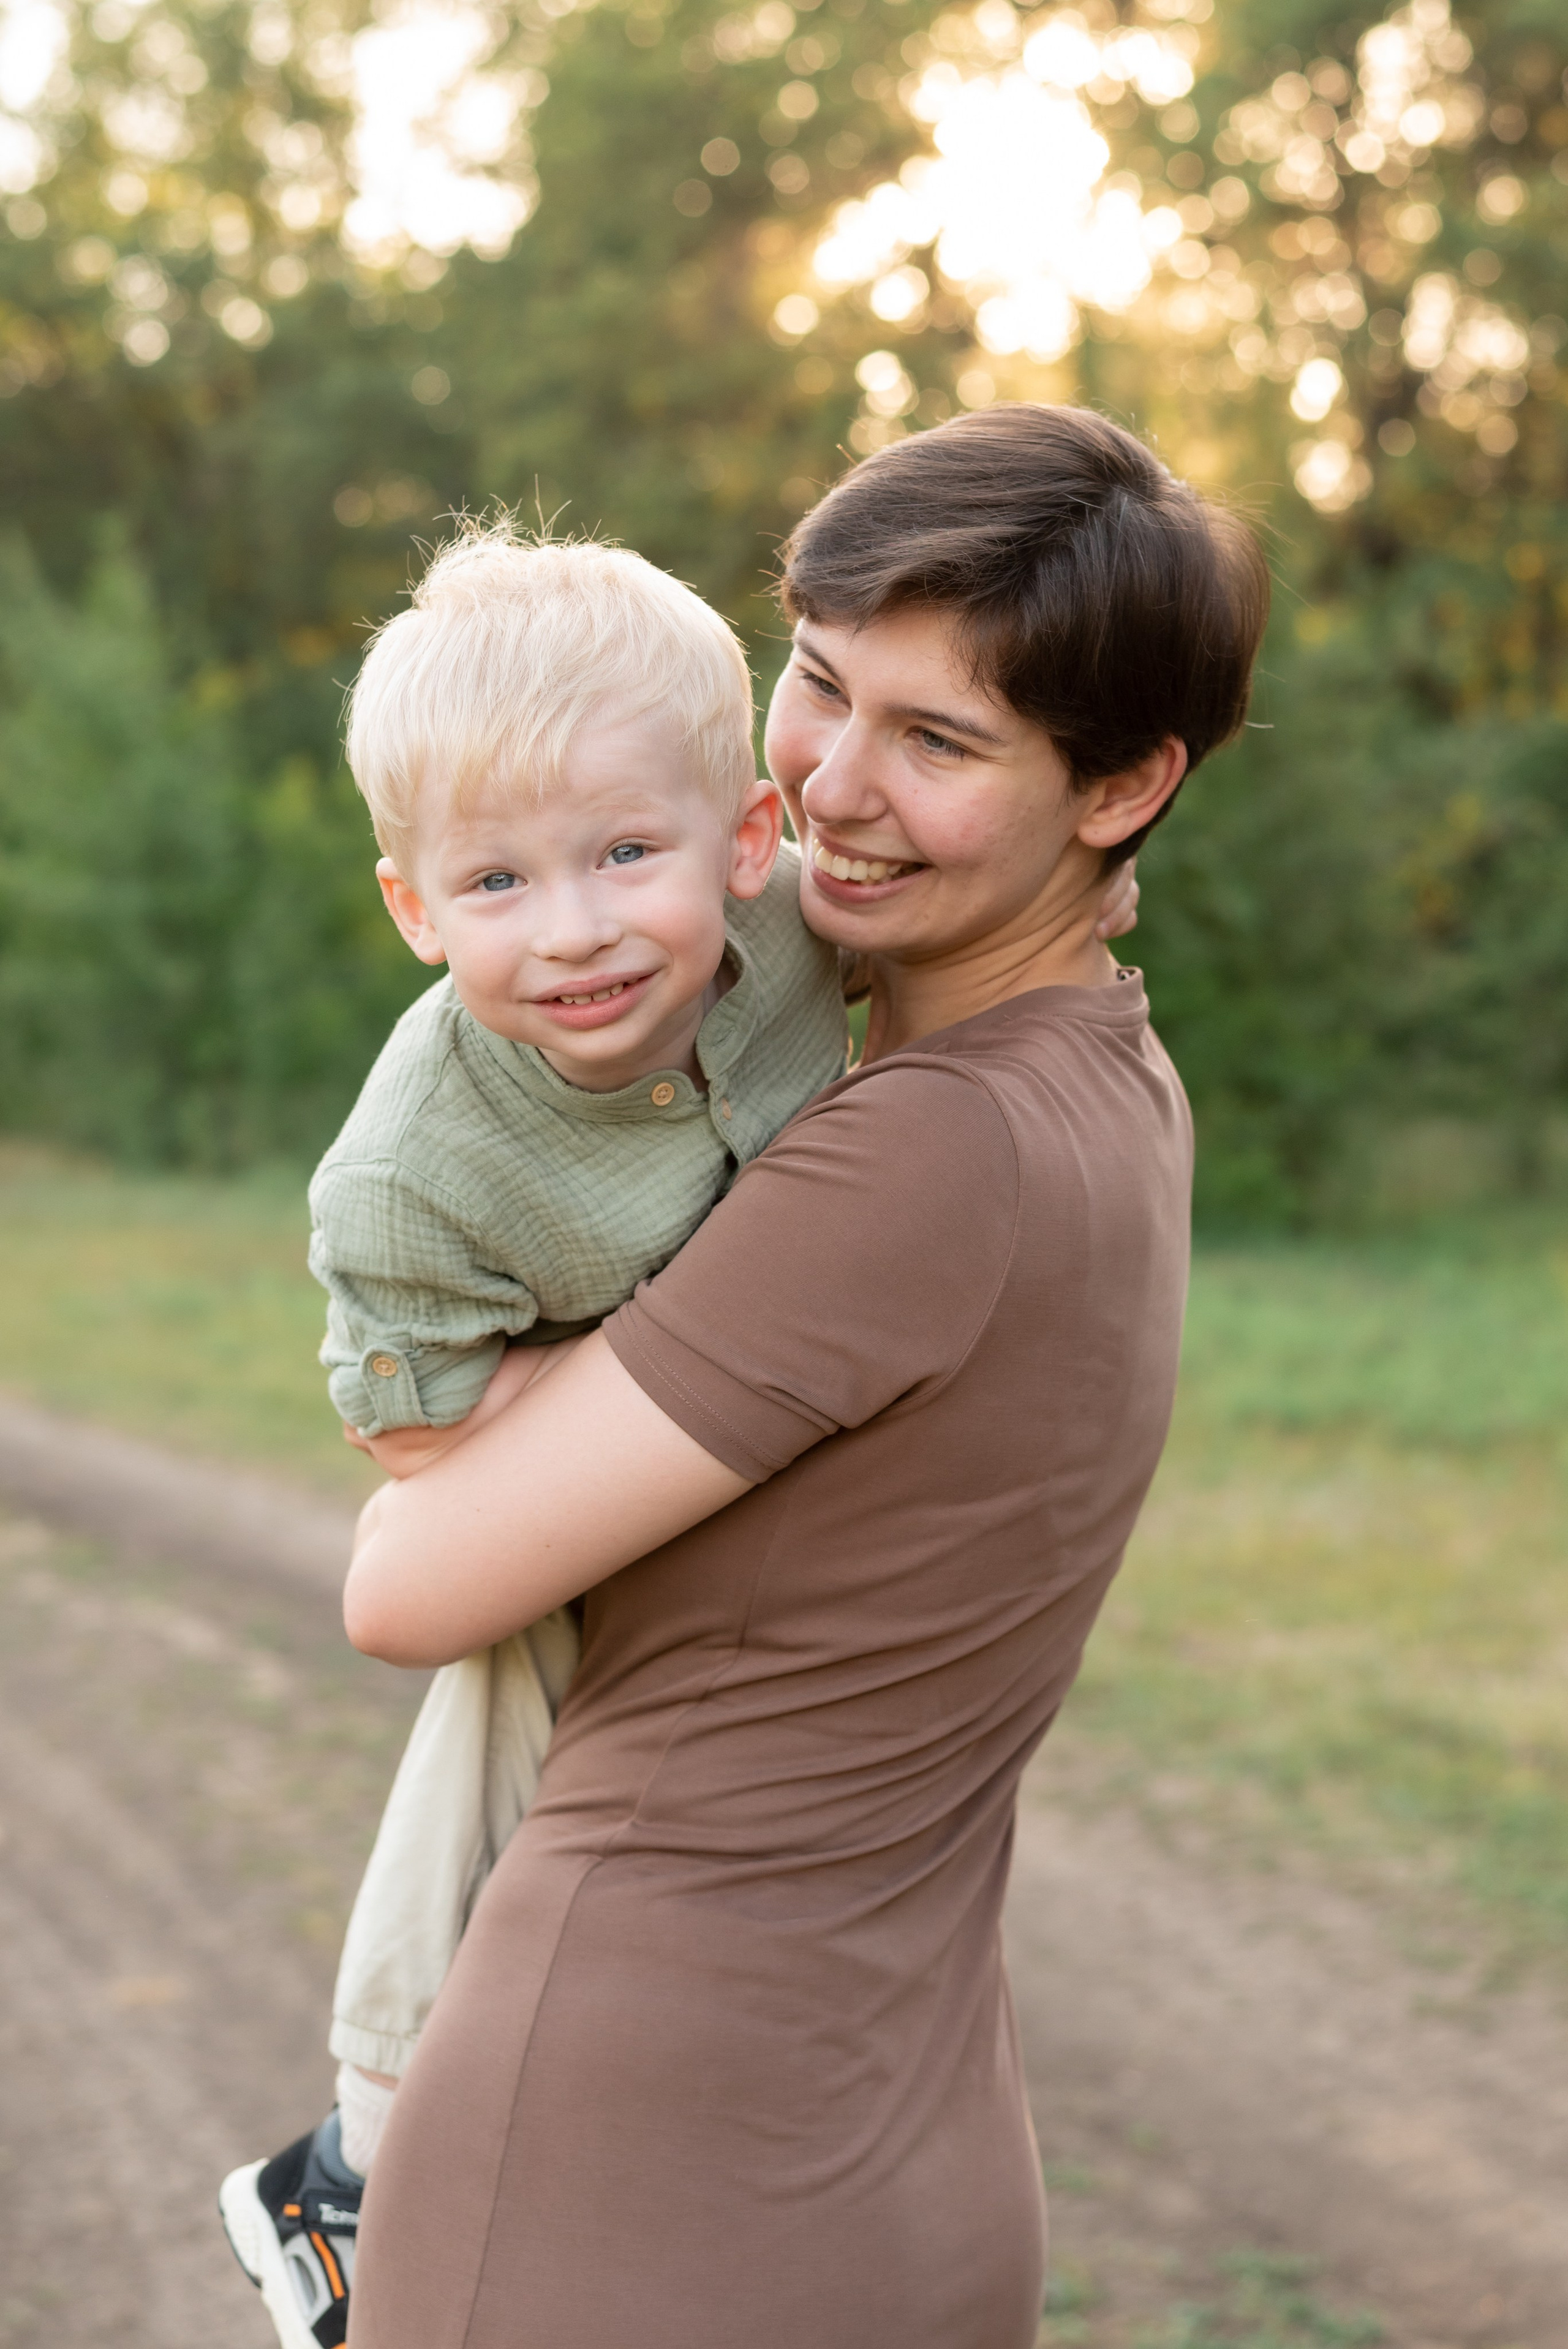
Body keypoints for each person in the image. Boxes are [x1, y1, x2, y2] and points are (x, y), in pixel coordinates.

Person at [337, 404, 1270, 2349]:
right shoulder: (1111, 1076)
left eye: (936, 742)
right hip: (898, 2143)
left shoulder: (924, 1158)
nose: (831, 785)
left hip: (638, 2170)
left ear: (1124, 785)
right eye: (821, 686)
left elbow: (403, 1584)